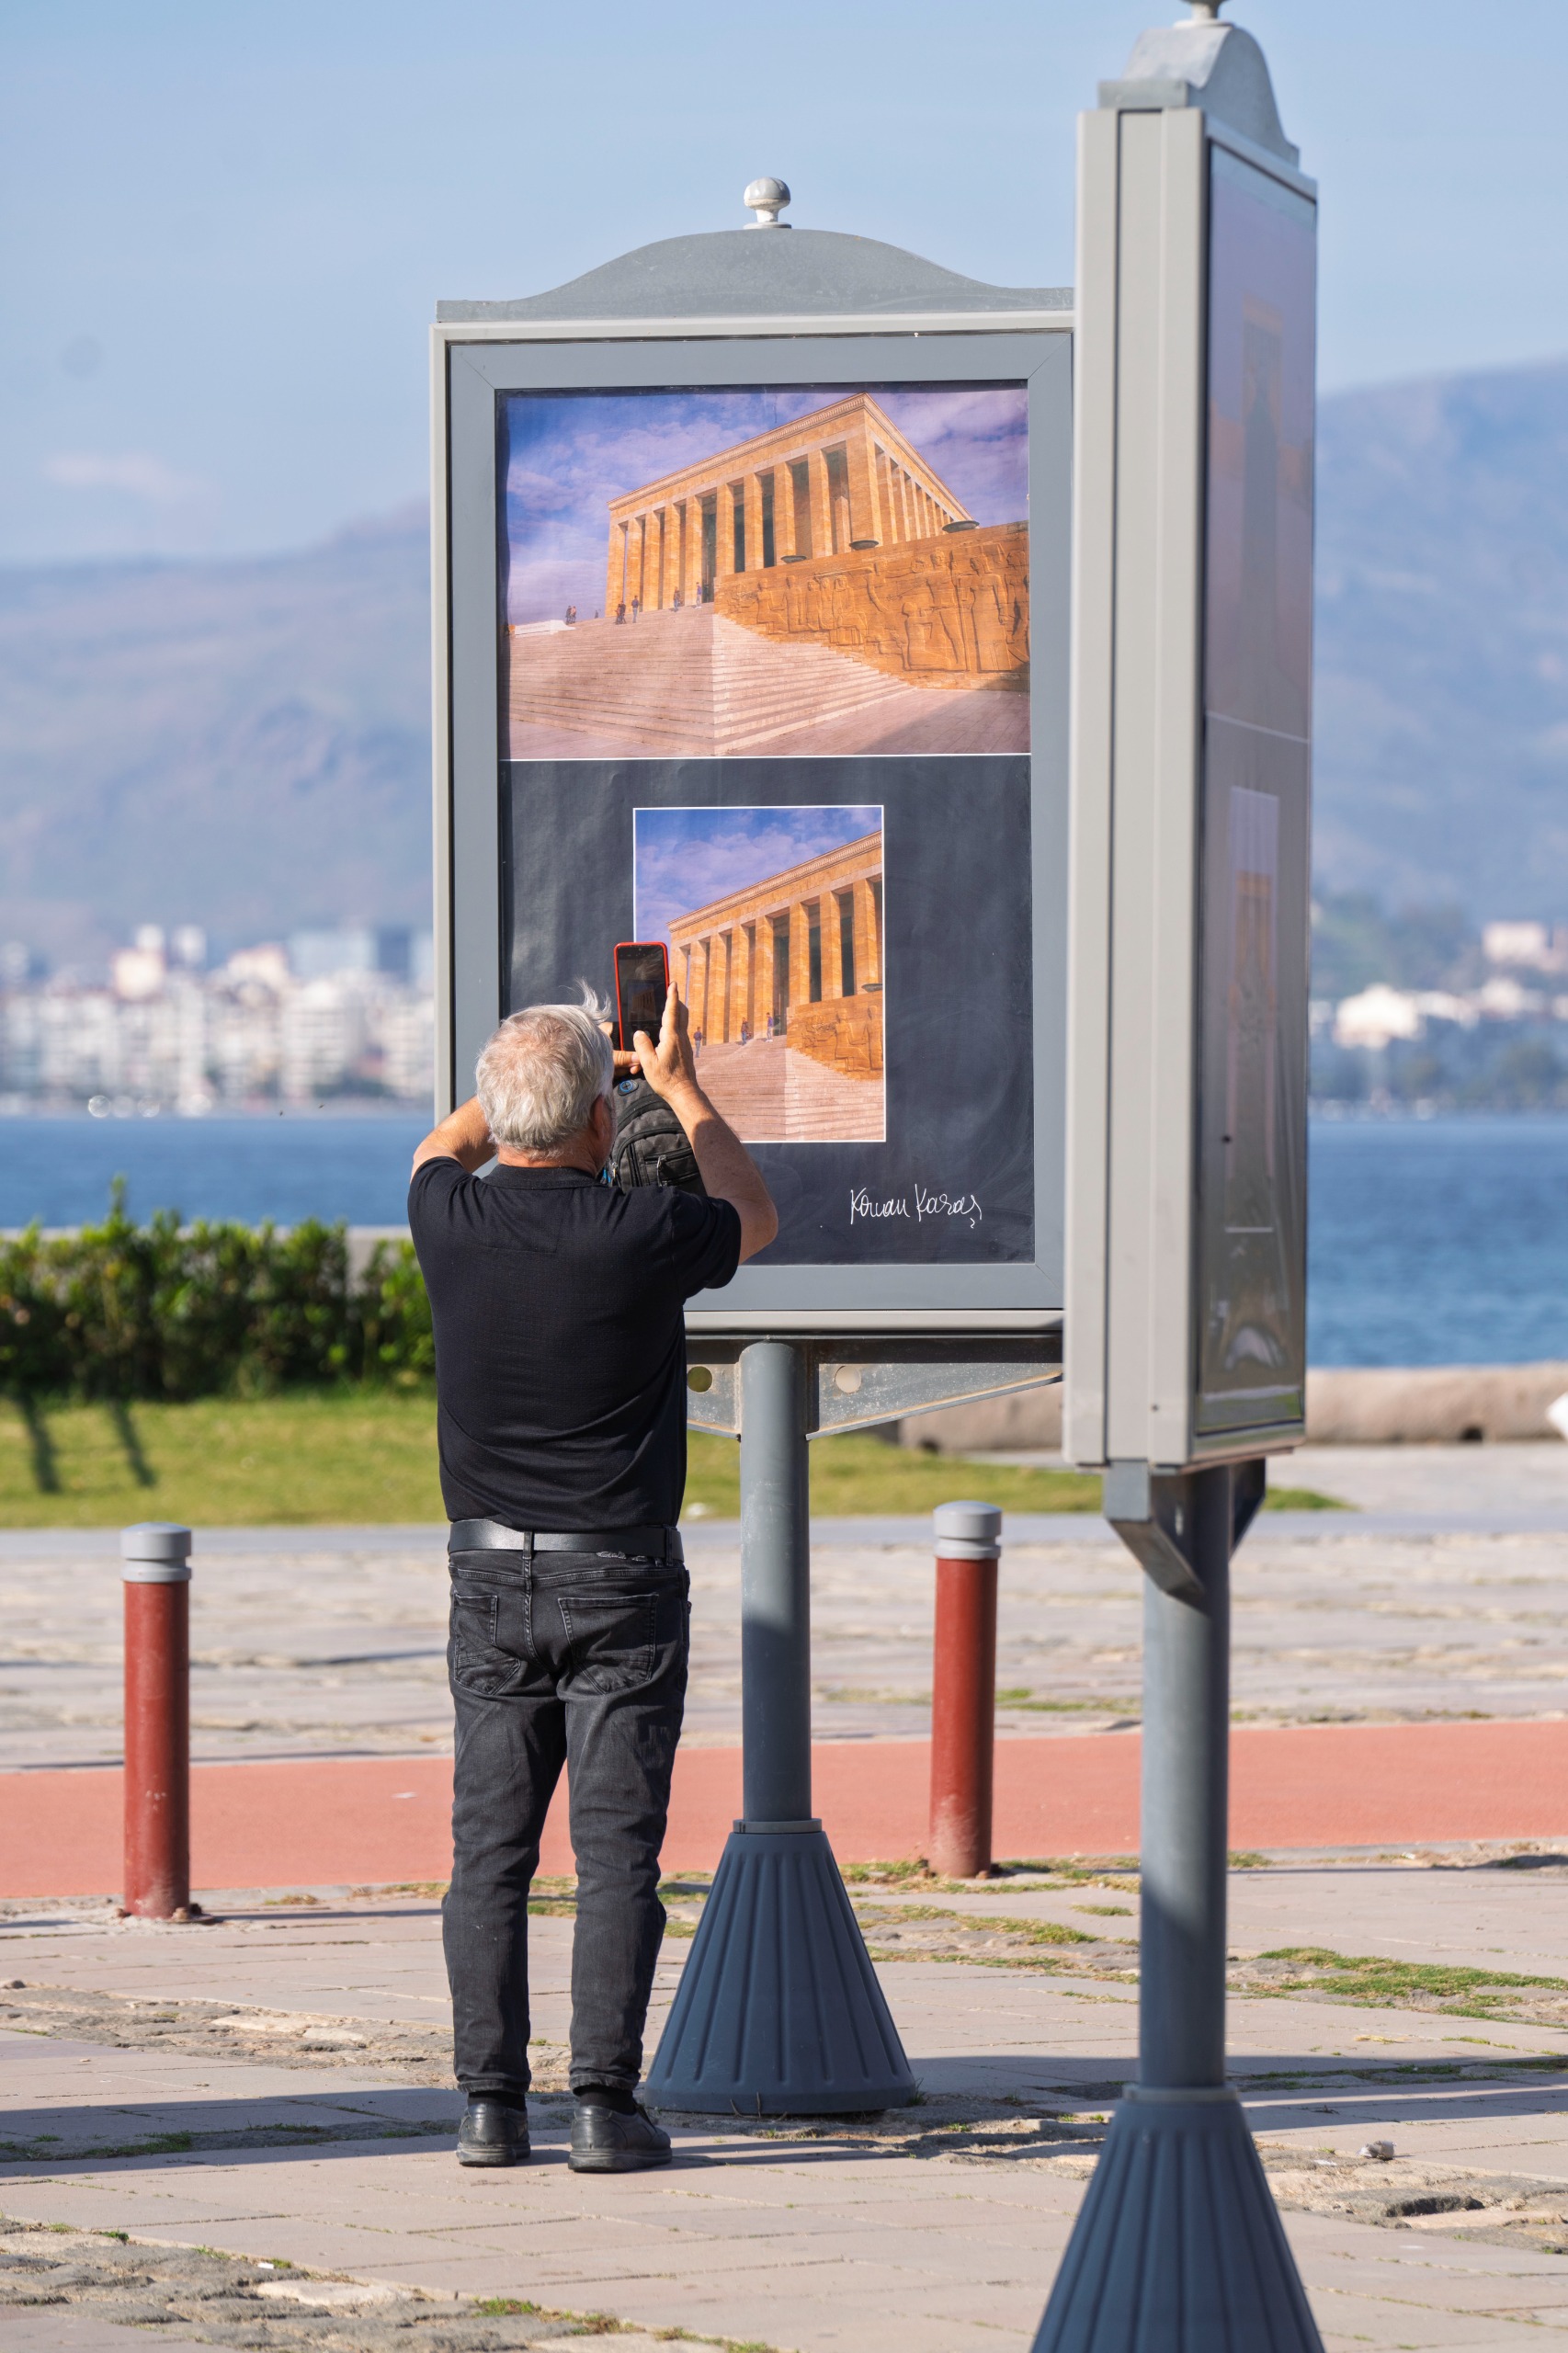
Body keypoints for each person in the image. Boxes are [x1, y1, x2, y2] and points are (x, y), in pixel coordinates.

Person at [408, 984, 776, 2177]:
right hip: (618, 1579)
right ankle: (605, 2109)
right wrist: (669, 1078)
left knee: (489, 1855)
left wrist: (538, 1076)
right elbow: (753, 1216)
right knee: (615, 1854)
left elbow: (443, 1142)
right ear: (599, 1126)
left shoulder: (446, 1217)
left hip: (486, 1577)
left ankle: (487, 2107)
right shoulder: (639, 1234)